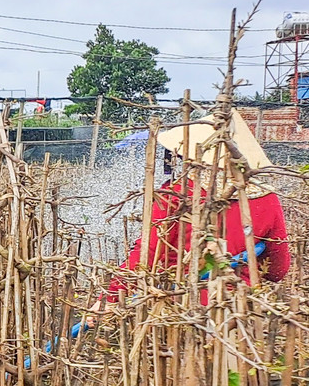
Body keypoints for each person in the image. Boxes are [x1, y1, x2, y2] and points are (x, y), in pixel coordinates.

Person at [106, 112, 290, 304]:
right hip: (240, 306)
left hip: (183, 305)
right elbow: (277, 270)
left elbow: (146, 254)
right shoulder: (268, 199)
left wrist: (110, 297)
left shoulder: (177, 194)